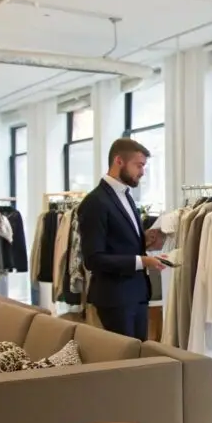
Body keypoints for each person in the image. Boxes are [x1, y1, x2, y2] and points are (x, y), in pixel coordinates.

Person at [78, 137, 165, 340]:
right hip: (115, 297)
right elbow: (93, 258)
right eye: (139, 165)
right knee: (126, 363)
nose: (142, 172)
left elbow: (118, 242)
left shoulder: (126, 195)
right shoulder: (95, 202)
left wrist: (145, 241)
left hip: (137, 293)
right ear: (119, 161)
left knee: (140, 359)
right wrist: (142, 261)